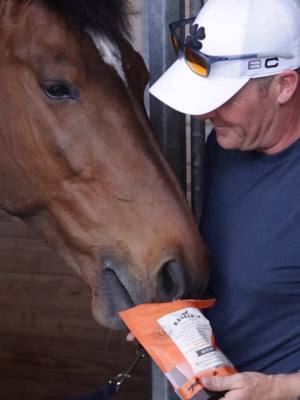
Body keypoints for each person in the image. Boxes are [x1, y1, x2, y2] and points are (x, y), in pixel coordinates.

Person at [149, 0, 300, 399]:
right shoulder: (226, 146)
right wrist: (171, 324)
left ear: (284, 86)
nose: (206, 114)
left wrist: (277, 388)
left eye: (227, 98)